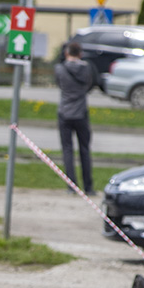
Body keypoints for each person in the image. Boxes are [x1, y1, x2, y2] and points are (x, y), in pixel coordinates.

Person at [55, 41, 95, 195]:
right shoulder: (86, 69)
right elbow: (89, 85)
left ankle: (71, 186)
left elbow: (59, 83)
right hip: (81, 113)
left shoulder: (60, 69)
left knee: (67, 150)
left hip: (65, 113)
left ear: (66, 53)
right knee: (84, 150)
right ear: (80, 54)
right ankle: (88, 187)